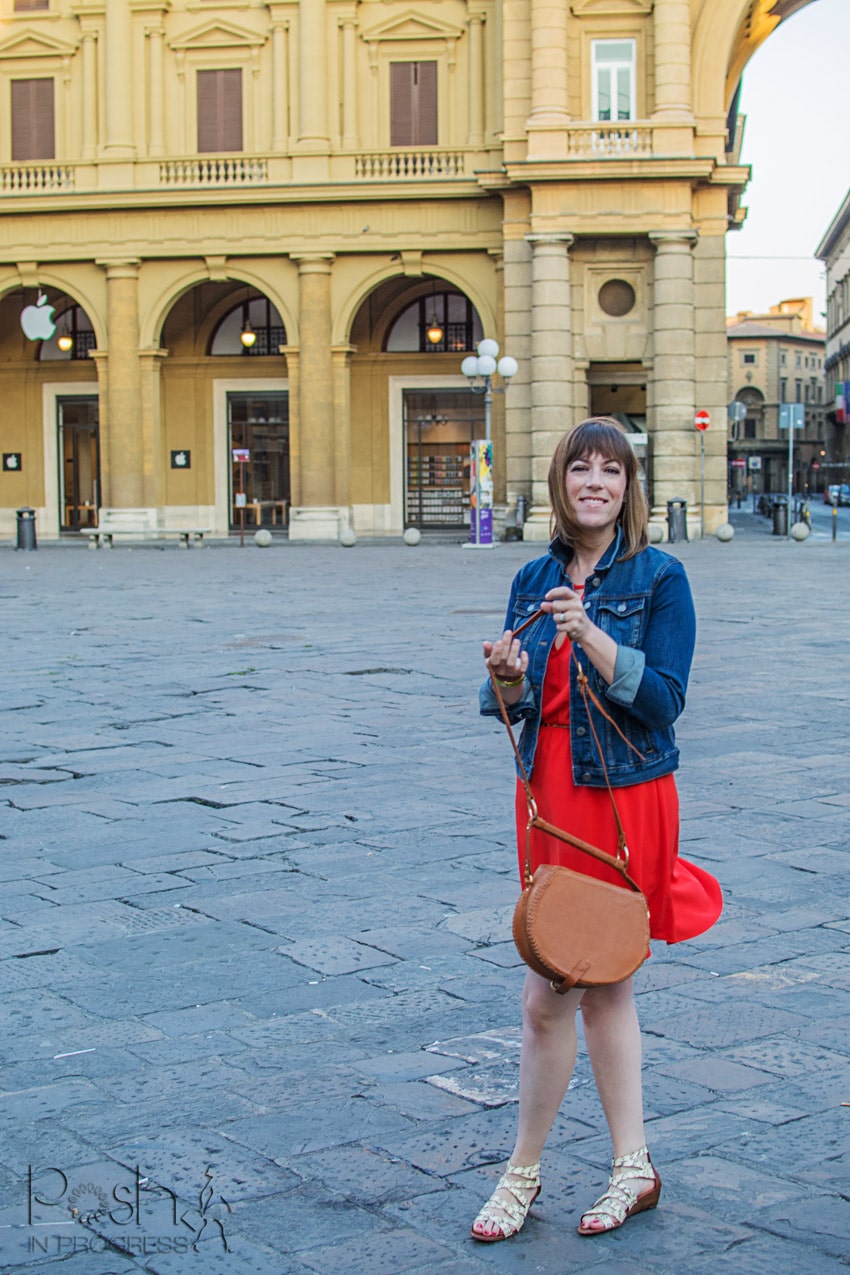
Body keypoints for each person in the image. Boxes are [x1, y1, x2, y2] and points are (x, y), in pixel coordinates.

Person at [471, 416, 722, 1243]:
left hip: (626, 799)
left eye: (610, 472)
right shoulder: (532, 576)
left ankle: (535, 1172)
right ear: (560, 483)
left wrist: (595, 640)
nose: (594, 483)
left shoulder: (661, 578)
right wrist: (506, 675)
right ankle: (623, 1165)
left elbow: (666, 699)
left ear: (627, 489)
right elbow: (507, 710)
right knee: (559, 977)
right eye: (580, 469)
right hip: (548, 799)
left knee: (586, 980)